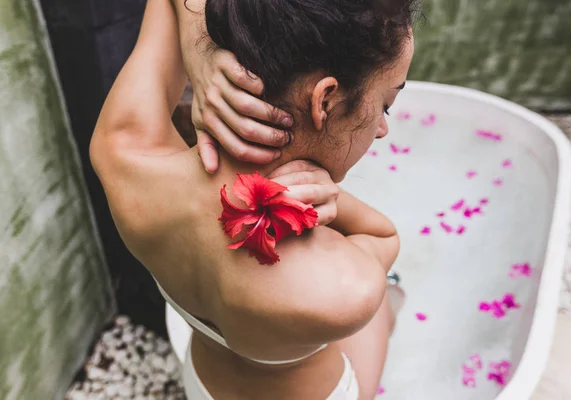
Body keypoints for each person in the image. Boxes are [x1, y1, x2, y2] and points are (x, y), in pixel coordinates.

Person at [91, 0, 416, 399]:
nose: (383, 128)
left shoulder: (123, 150)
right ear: (325, 100)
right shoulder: (344, 292)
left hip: (205, 383)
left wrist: (197, 47)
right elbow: (383, 237)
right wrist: (334, 198)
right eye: (386, 102)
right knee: (382, 310)